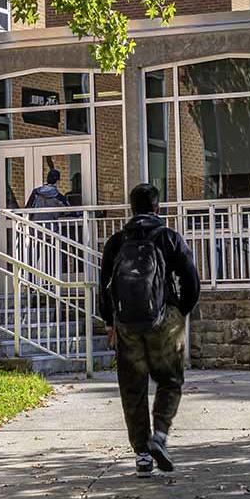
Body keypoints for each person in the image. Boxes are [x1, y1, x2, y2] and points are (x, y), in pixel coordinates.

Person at [96, 183, 200, 476]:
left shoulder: (117, 241)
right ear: (157, 207)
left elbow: (104, 287)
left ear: (131, 208)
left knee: (133, 388)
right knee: (169, 380)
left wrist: (109, 321)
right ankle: (161, 436)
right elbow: (191, 279)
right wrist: (180, 310)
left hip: (127, 323)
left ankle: (142, 455)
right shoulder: (168, 237)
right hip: (164, 319)